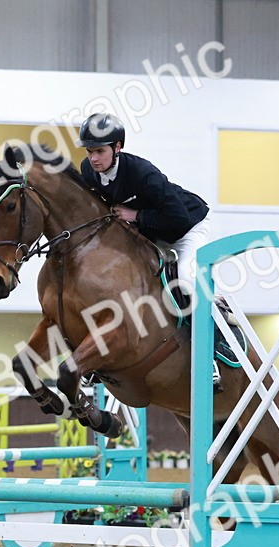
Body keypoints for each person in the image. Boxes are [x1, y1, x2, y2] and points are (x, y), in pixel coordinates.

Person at [75, 112, 230, 389]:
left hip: (187, 229)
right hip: (152, 235)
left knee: (185, 277)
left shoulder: (143, 173)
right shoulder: (89, 171)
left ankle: (212, 357)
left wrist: (135, 216)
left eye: (99, 151)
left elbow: (179, 219)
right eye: (89, 152)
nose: (93, 158)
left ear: (117, 147)